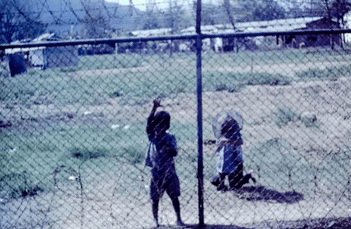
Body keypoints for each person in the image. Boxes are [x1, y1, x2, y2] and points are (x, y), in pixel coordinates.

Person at [145, 98, 185, 228]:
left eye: (161, 125)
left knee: (174, 197)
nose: (158, 128)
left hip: (169, 172)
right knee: (155, 198)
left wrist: (168, 147)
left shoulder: (170, 138)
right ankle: (155, 220)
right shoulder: (152, 136)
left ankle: (178, 218)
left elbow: (174, 152)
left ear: (167, 126)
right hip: (156, 173)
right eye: (156, 125)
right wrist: (154, 108)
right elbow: (148, 122)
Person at [210, 116, 256, 191]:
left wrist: (239, 163)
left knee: (236, 183)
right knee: (213, 180)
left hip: (234, 164)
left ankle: (248, 176)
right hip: (223, 164)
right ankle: (223, 187)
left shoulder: (235, 142)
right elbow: (217, 152)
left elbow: (239, 154)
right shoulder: (220, 140)